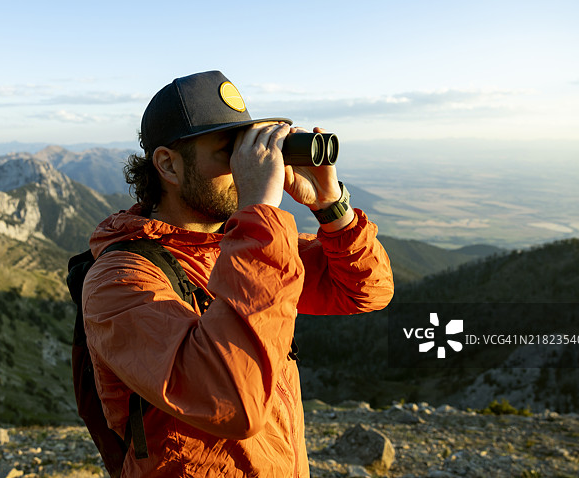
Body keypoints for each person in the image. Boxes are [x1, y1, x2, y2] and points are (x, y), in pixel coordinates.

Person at [82, 70, 394, 477]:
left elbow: (366, 290)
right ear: (168, 166)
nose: (247, 165)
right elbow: (233, 401)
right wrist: (261, 207)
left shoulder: (245, 246)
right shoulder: (120, 280)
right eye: (229, 152)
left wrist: (330, 207)